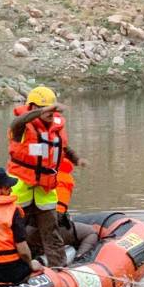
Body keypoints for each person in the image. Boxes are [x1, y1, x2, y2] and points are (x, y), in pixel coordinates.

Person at [7, 86, 88, 267]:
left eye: (54, 109)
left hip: (45, 188)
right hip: (21, 188)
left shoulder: (56, 127)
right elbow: (18, 122)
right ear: (35, 107)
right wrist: (42, 111)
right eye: (47, 110)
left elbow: (63, 148)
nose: (52, 114)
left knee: (51, 232)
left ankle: (58, 269)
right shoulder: (21, 127)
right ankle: (11, 266)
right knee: (14, 230)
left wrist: (77, 159)